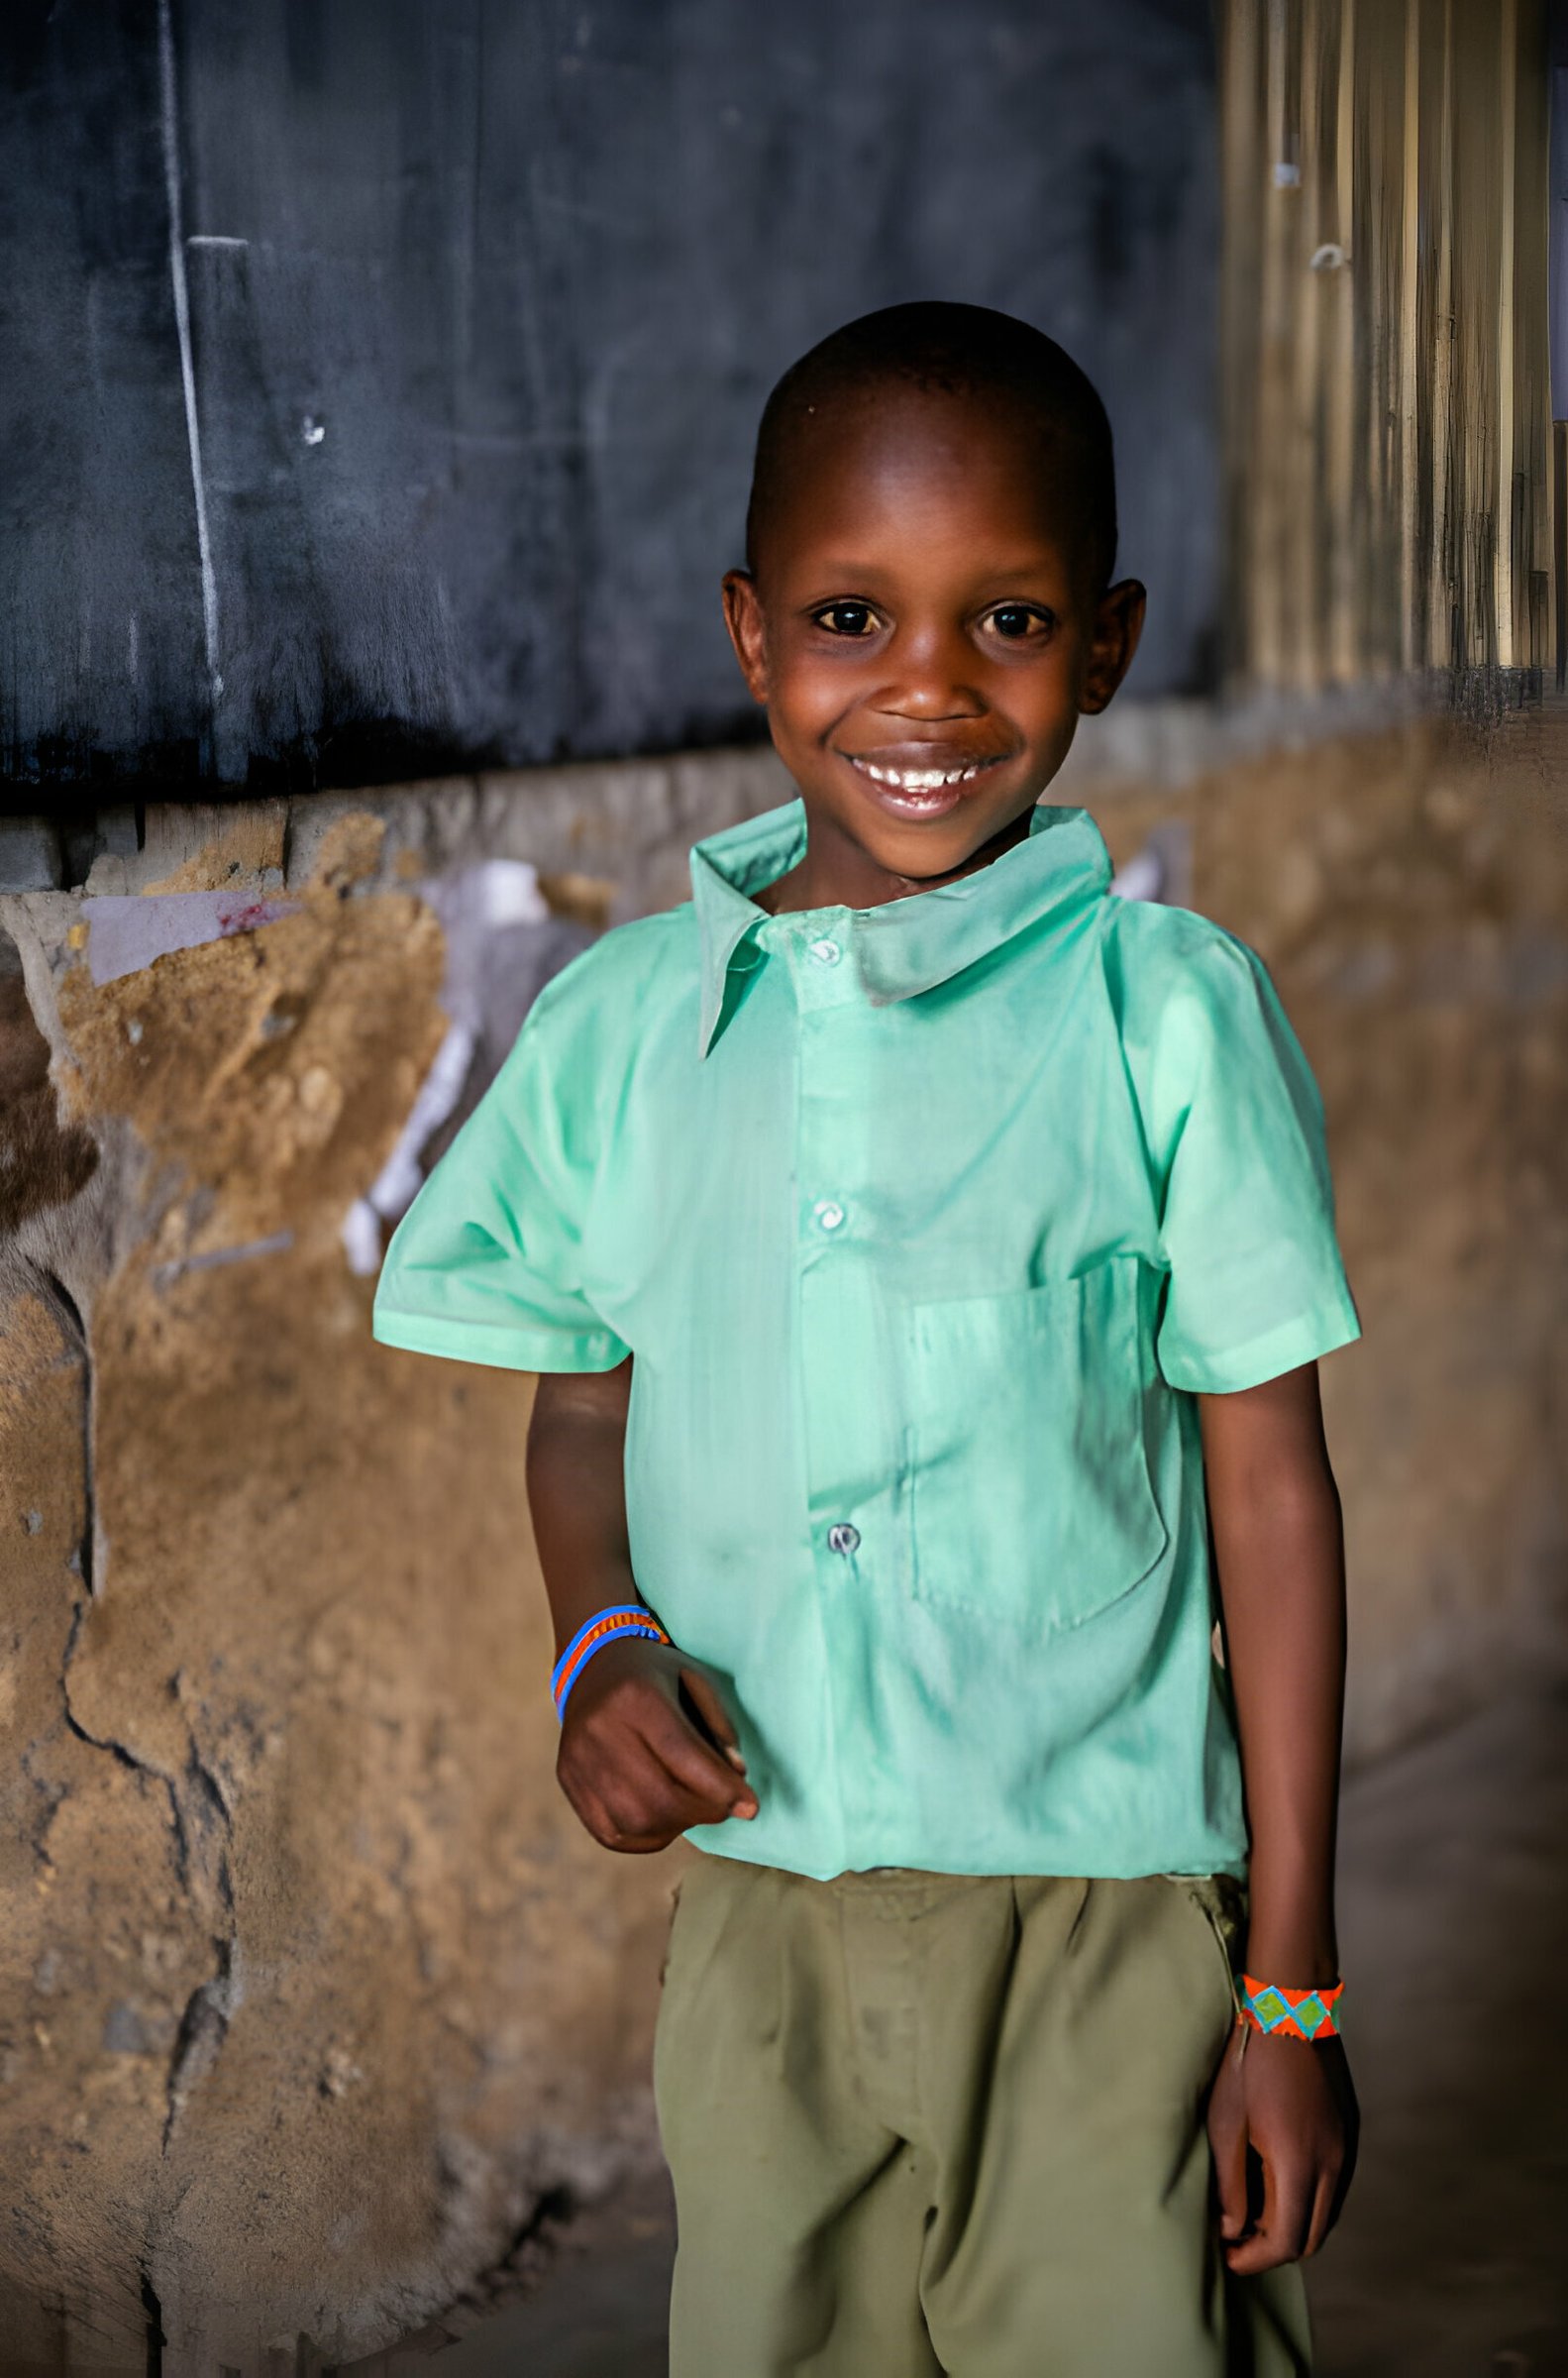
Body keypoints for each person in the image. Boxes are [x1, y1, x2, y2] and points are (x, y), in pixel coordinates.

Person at [372, 302, 1361, 2376]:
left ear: (1102, 645)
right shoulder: (625, 1035)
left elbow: (1267, 1493)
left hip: (1100, 1920)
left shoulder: (1158, 1015)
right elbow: (581, 1406)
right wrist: (592, 1639)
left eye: (1003, 622)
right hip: (763, 1921)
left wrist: (1285, 1990)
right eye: (848, 614)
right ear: (749, 633)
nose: (923, 689)